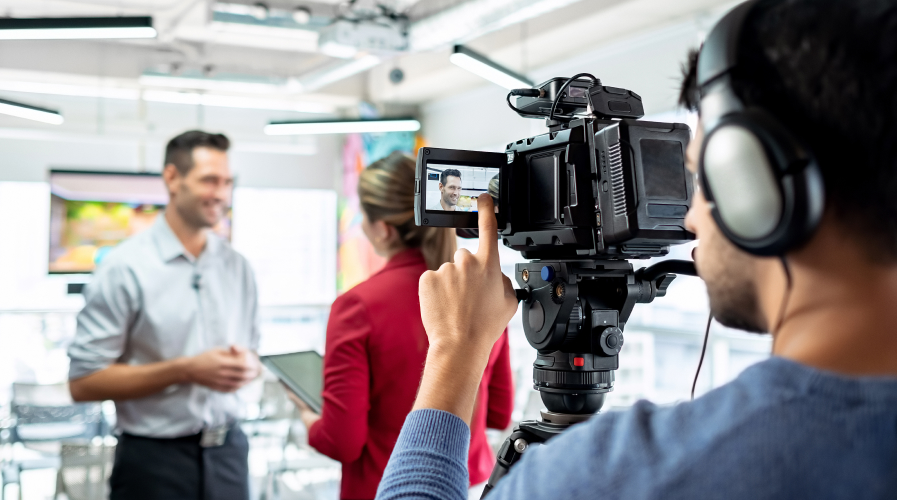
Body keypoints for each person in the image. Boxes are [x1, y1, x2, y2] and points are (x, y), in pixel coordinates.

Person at [376, 0, 897, 498]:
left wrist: (457, 347)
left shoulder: (612, 475)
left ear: (758, 183)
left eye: (701, 179)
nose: (690, 219)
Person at [287, 152, 514, 499]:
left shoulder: (356, 308)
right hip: (471, 487)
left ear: (382, 229)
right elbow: (497, 415)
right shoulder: (478, 298)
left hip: (388, 489)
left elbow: (342, 441)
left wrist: (308, 417)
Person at [67, 131, 261, 500]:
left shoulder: (238, 268)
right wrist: (186, 369)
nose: (221, 193)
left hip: (230, 453)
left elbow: (252, 351)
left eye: (227, 182)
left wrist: (249, 366)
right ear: (172, 178)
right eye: (209, 180)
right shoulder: (124, 268)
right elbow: (84, 382)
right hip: (153, 463)